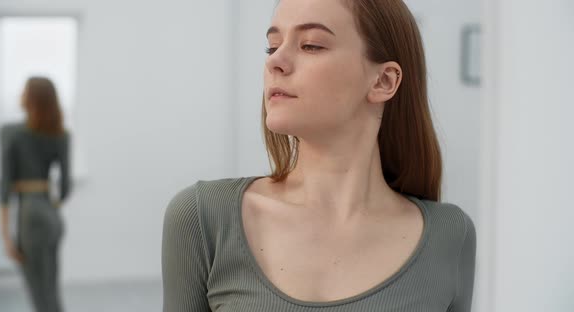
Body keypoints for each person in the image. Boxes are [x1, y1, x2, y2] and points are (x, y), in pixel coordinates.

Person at [162, 0, 476, 311]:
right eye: (272, 47)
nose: (275, 62)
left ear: (383, 81)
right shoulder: (204, 218)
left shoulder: (450, 236)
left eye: (311, 45)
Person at [0, 76, 70, 312]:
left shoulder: (10, 133)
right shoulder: (60, 135)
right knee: (51, 291)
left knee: (40, 296)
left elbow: (5, 188)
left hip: (29, 215)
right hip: (52, 216)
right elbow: (65, 188)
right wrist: (48, 202)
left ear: (30, 99)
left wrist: (6, 237)